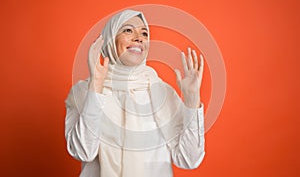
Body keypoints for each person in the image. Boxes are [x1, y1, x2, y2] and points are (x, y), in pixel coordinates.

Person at [65, 9, 205, 177]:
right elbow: (83, 152)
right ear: (110, 39)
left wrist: (192, 99)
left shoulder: (163, 93)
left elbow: (189, 159)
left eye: (144, 33)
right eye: (128, 30)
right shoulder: (83, 92)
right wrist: (96, 87)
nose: (139, 38)